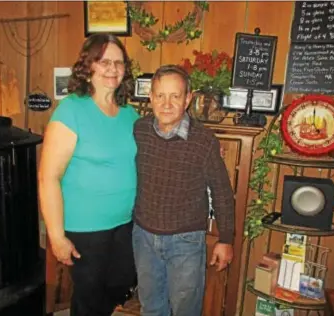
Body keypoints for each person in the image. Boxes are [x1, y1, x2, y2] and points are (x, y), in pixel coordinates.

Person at [38, 34, 139, 316]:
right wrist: (57, 237)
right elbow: (48, 178)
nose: (113, 68)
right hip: (85, 227)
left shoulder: (130, 114)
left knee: (122, 283)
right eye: (104, 61)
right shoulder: (71, 110)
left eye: (119, 63)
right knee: (90, 297)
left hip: (126, 222)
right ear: (89, 66)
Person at [132, 64, 235, 316]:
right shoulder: (138, 130)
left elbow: (221, 191)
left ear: (188, 99)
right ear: (151, 97)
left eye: (175, 96)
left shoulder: (204, 141)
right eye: (160, 96)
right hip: (143, 237)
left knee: (185, 310)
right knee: (150, 308)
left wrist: (226, 239)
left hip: (186, 241)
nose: (166, 104)